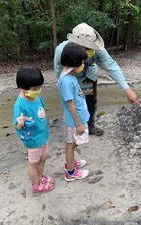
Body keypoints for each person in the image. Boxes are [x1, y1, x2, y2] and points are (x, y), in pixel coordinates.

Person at [54, 23, 141, 136]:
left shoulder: (98, 49)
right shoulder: (62, 51)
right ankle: (74, 125)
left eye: (91, 48)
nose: (91, 51)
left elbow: (111, 65)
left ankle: (90, 125)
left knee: (90, 101)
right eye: (88, 48)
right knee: (72, 101)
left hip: (88, 76)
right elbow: (58, 71)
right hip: (71, 79)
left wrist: (127, 89)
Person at [13, 65, 54, 192]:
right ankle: (36, 185)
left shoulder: (36, 97)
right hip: (32, 139)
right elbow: (17, 125)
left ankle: (40, 177)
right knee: (33, 162)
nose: (38, 90)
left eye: (39, 87)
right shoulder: (19, 104)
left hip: (42, 135)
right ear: (24, 88)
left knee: (44, 157)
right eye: (35, 88)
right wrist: (19, 123)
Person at [58, 43, 90, 181]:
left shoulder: (70, 76)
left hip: (78, 119)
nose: (83, 65)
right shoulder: (66, 81)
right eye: (81, 62)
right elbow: (70, 105)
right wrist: (78, 124)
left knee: (73, 142)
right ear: (74, 62)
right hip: (74, 122)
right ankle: (70, 172)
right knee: (71, 145)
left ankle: (70, 163)